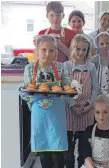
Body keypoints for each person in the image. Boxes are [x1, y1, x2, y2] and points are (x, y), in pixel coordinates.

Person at [19, 35, 77, 168]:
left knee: (58, 154)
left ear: (56, 52)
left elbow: (67, 87)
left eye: (51, 50)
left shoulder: (61, 67)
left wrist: (74, 88)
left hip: (57, 116)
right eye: (44, 50)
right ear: (37, 51)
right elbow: (27, 92)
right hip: (39, 117)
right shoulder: (30, 69)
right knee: (44, 153)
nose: (47, 54)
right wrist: (32, 102)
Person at [63, 34, 98, 168]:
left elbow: (95, 88)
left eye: (84, 50)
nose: (81, 52)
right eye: (78, 49)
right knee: (68, 147)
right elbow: (65, 88)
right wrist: (72, 106)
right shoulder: (67, 66)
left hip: (87, 110)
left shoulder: (91, 67)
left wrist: (89, 105)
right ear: (72, 48)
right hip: (70, 110)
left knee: (84, 145)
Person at [79, 95, 109, 168]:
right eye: (97, 112)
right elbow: (86, 155)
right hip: (91, 165)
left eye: (105, 112)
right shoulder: (88, 131)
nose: (101, 116)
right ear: (93, 112)